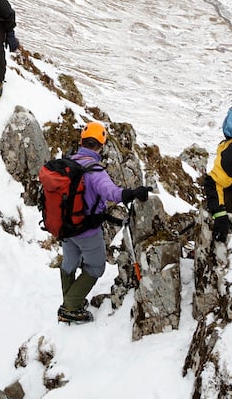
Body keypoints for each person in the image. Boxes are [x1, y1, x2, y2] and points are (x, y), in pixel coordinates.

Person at [57, 121, 152, 324]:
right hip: (86, 231)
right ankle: (70, 307)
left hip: (64, 226)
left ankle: (69, 302)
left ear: (82, 142)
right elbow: (112, 193)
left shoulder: (66, 164)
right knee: (96, 267)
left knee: (69, 263)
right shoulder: (95, 171)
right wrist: (134, 192)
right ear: (101, 145)